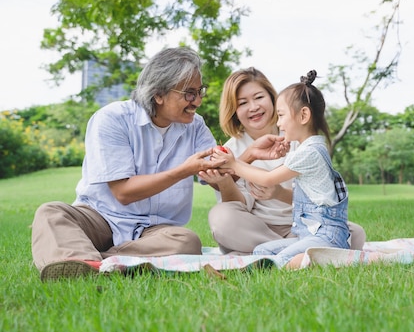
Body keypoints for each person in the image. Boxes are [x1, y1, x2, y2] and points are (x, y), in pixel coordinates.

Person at [30, 47, 284, 281]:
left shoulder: (195, 126)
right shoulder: (112, 119)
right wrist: (183, 170)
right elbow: (124, 192)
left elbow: (218, 180)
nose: (197, 100)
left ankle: (89, 261)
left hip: (152, 231)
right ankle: (88, 257)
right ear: (158, 94)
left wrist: (248, 156)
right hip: (100, 218)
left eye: (199, 91)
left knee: (186, 242)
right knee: (51, 212)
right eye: (189, 93)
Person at [199, 67, 365, 256]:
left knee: (355, 233)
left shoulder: (298, 138)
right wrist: (227, 179)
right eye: (243, 103)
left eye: (259, 97)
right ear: (234, 111)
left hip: (302, 224)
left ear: (272, 98)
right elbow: (240, 205)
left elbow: (314, 196)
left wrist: (278, 193)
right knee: (222, 219)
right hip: (258, 228)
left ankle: (271, 251)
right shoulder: (232, 149)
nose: (253, 107)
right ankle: (293, 249)